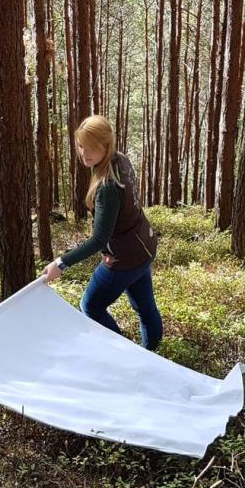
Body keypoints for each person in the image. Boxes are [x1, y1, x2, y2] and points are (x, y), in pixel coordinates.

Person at [41, 116, 163, 351]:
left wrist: (61, 263)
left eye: (91, 147)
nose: (84, 153)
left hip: (125, 258)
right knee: (145, 307)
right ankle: (151, 354)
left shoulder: (107, 185)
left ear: (106, 145)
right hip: (144, 245)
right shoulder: (121, 160)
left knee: (91, 305)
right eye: (80, 146)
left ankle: (123, 354)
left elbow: (99, 239)